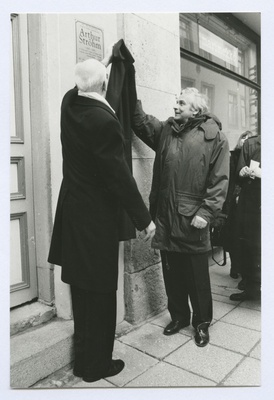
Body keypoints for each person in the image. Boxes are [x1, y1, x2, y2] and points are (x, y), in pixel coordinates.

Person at [47, 56, 155, 383]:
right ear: (104, 85)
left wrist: (97, 71)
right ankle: (97, 366)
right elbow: (118, 177)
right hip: (95, 221)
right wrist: (143, 219)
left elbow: (81, 87)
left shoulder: (69, 104)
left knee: (82, 292)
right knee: (102, 296)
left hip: (73, 214)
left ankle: (83, 362)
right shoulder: (104, 121)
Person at [132, 88, 229, 347]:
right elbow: (139, 122)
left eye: (181, 103)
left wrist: (206, 212)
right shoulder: (167, 130)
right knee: (171, 272)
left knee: (197, 277)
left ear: (195, 109)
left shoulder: (214, 137)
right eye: (176, 101)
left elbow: (219, 180)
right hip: (166, 216)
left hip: (193, 219)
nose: (175, 106)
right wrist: (127, 79)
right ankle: (180, 317)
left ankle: (202, 323)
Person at [215, 131, 253, 280]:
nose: (245, 141)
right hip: (230, 201)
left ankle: (242, 268)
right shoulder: (233, 156)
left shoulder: (253, 157)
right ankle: (234, 266)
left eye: (249, 139)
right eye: (243, 137)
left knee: (243, 237)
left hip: (245, 202)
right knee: (231, 236)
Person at [230, 134, 261, 301]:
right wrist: (242, 172)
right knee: (248, 245)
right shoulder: (251, 144)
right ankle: (250, 289)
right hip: (250, 203)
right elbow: (238, 173)